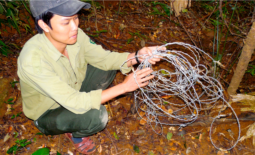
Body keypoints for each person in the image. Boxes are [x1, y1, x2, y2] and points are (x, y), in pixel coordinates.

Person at [17, 0, 163, 154]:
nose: (75, 27)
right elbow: (74, 101)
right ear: (44, 25)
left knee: (107, 68)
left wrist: (138, 56)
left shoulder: (75, 36)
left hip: (72, 90)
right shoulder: (33, 60)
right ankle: (75, 133)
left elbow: (104, 59)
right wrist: (124, 87)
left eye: (75, 18)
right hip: (48, 113)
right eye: (66, 22)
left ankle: (77, 118)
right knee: (97, 117)